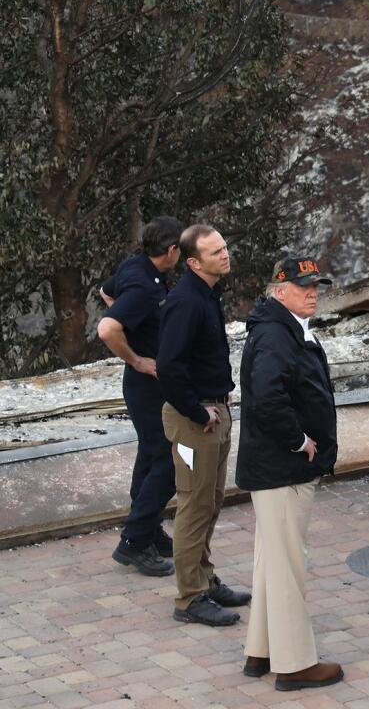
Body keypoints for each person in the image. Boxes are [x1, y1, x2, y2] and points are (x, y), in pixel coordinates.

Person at [236, 257, 343, 692]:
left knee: (272, 562)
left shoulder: (283, 328)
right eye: (303, 287)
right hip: (283, 469)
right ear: (279, 291)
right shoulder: (277, 335)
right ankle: (295, 664)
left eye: (316, 285)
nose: (313, 292)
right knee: (287, 568)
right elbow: (266, 397)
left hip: (276, 469)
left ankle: (261, 650)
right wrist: (300, 441)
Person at [157, 224, 250, 627]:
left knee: (210, 503)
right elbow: (168, 367)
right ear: (193, 262)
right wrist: (198, 412)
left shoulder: (208, 295)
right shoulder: (185, 302)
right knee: (194, 508)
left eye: (225, 248)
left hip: (216, 413)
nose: (225, 255)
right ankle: (189, 598)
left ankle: (205, 580)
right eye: (215, 253)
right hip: (197, 421)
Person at [99, 215, 183, 579]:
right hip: (146, 384)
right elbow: (107, 327)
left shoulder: (136, 267)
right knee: (167, 459)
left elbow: (107, 291)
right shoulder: (145, 288)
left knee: (151, 455)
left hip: (149, 384)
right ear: (171, 251)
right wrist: (135, 358)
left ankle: (146, 529)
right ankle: (133, 542)